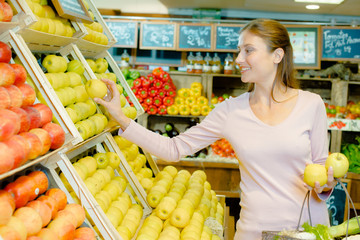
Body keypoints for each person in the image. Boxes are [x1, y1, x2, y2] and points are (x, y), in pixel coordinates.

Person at [95, 18, 336, 239]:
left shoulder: (310, 104)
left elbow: (322, 169)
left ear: (277, 55)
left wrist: (325, 184)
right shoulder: (230, 112)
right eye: (239, 51)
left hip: (309, 229)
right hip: (255, 231)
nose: (239, 59)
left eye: (248, 50)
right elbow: (173, 148)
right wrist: (121, 118)